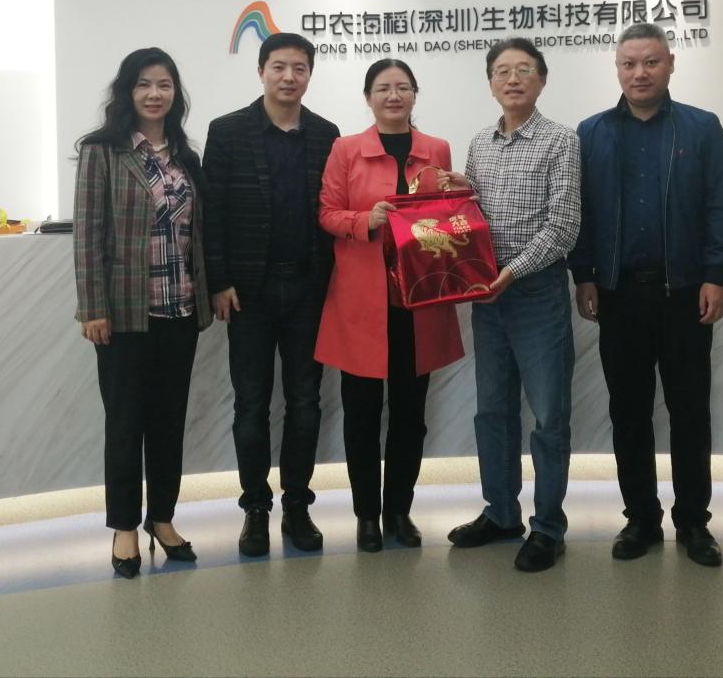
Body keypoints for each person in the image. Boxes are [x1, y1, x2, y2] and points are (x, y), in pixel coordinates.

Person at [570, 22, 723, 567]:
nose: (639, 73)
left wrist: (717, 274)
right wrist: (584, 274)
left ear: (670, 63)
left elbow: (720, 206)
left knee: (690, 412)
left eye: (650, 62)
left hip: (685, 293)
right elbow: (581, 213)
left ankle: (693, 522)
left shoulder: (701, 128)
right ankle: (640, 518)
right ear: (617, 69)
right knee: (629, 412)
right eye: (629, 64)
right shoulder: (591, 133)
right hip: (619, 295)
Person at [73, 47, 212, 578]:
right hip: (126, 315)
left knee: (169, 423)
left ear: (176, 93)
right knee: (125, 423)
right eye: (144, 84)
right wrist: (93, 307)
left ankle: (163, 518)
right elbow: (88, 236)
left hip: (180, 310)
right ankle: (125, 527)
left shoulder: (184, 155)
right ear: (127, 92)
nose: (155, 94)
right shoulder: (102, 152)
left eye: (165, 85)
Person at [315, 59, 465, 552]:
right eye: (383, 88)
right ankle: (366, 516)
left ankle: (399, 510)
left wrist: (462, 191)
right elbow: (327, 213)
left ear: (415, 95)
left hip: (418, 300)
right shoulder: (346, 149)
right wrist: (366, 220)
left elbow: (450, 215)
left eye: (403, 87)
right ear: (368, 97)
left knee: (410, 414)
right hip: (361, 301)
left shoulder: (436, 149)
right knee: (360, 414)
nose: (393, 96)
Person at [202, 32, 340, 557]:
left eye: (299, 68)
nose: (289, 77)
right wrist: (219, 281)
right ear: (261, 70)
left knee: (305, 402)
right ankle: (255, 509)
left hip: (308, 288)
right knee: (251, 404)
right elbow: (212, 213)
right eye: (279, 66)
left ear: (310, 75)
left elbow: (331, 211)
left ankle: (298, 506)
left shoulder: (326, 134)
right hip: (249, 294)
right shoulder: (228, 131)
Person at [447, 37, 582, 573]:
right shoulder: (479, 144)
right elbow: (473, 218)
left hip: (535, 294)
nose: (513, 79)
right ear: (490, 84)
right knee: (493, 411)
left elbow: (563, 227)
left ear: (541, 80)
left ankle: (548, 527)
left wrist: (511, 272)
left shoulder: (561, 141)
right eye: (502, 71)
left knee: (548, 416)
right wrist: (455, 195)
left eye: (524, 69)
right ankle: (501, 513)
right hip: (488, 297)